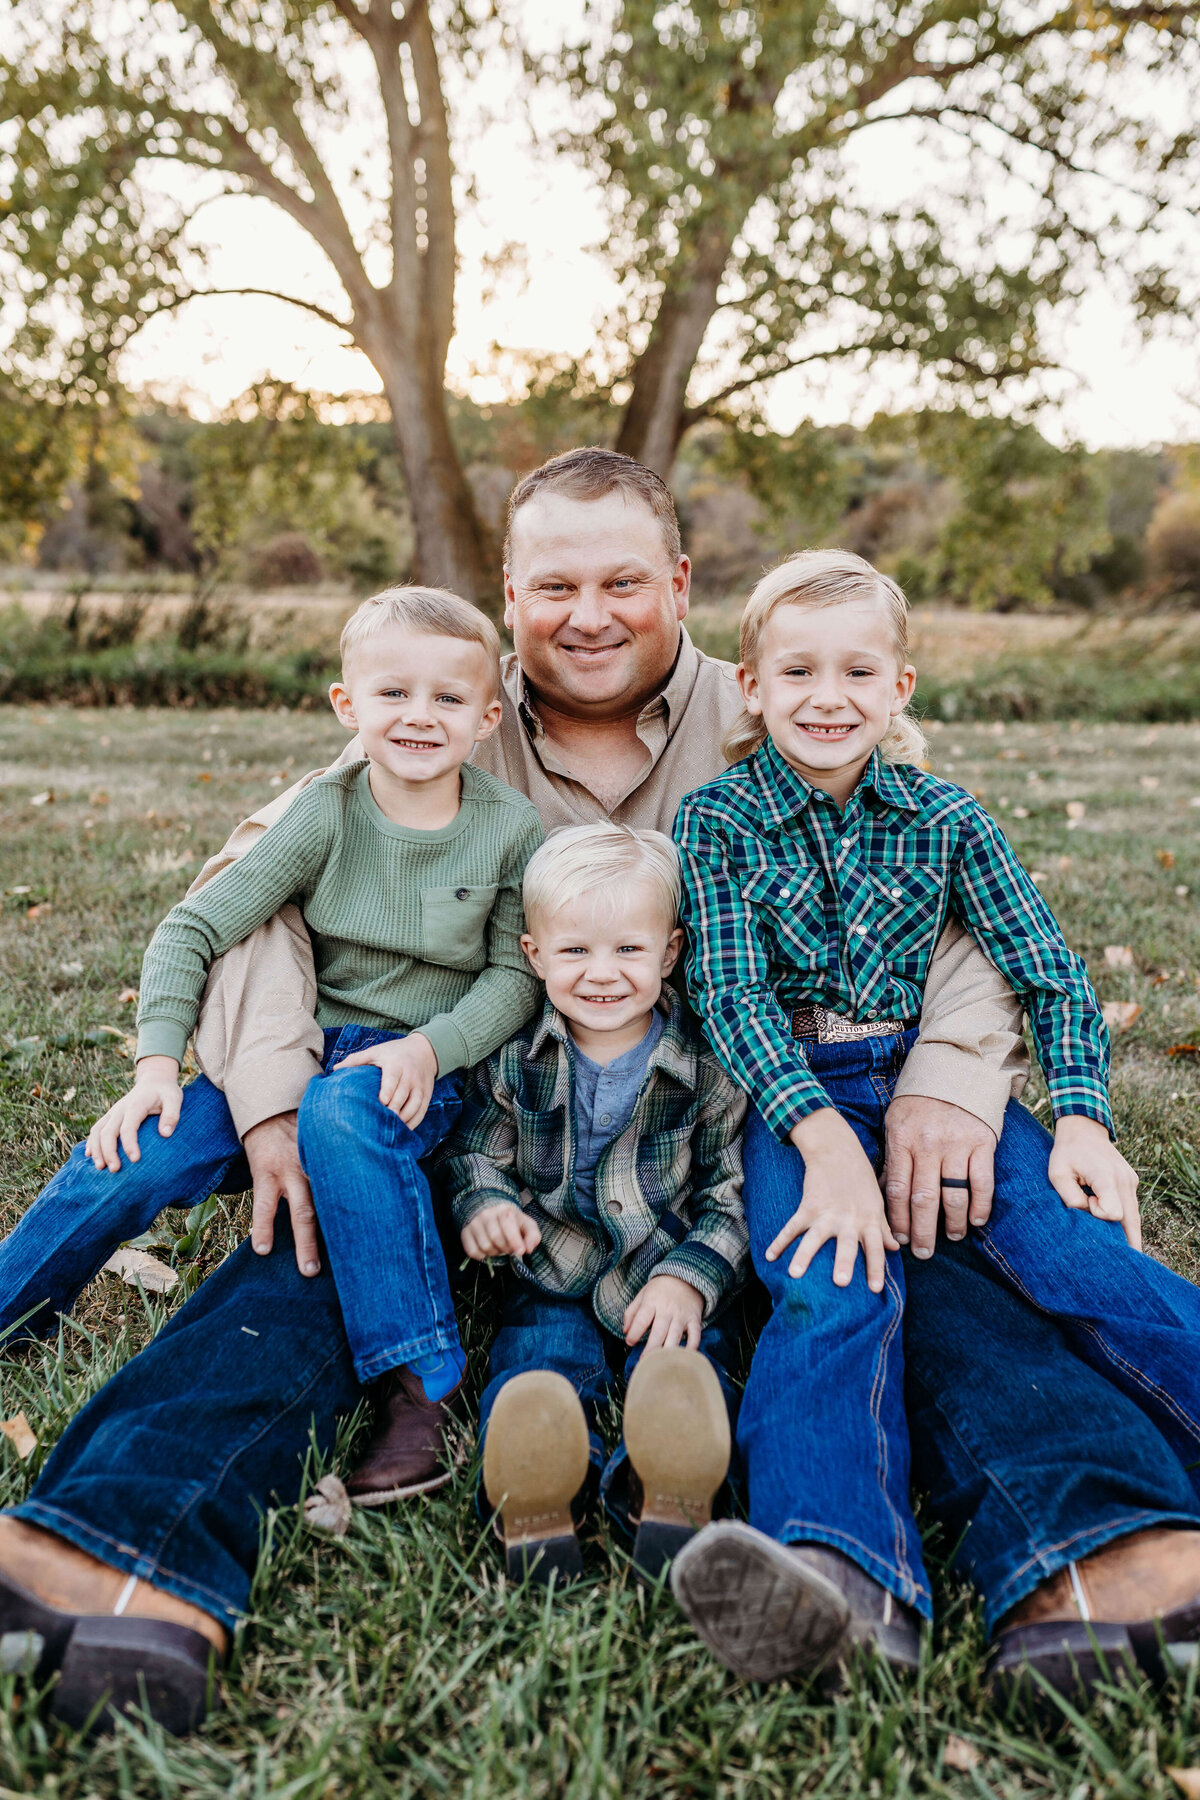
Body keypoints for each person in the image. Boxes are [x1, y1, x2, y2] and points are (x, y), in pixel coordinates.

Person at [0, 447, 1187, 1733]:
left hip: (733, 1136)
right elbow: (259, 897)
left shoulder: (784, 696)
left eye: (625, 579)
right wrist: (276, 1100)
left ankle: (1094, 1533)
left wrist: (949, 1082)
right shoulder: (446, 708)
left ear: (679, 583)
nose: (590, 612)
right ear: (508, 595)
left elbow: (955, 913)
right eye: (554, 583)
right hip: (478, 1128)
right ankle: (132, 1538)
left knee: (909, 1234)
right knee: (306, 1250)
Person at [0, 584, 544, 1731]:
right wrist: (158, 1065)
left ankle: (418, 1379)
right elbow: (198, 925)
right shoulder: (327, 808)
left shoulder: (507, 829)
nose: (417, 715)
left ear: (489, 714)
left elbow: (515, 973)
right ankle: (16, 1297)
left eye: (448, 696)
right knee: (137, 1158)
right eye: (391, 693)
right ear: (347, 702)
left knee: (343, 1149)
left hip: (413, 1079)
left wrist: (430, 1049)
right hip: (286, 1049)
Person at [668, 550, 1200, 1698]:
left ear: (901, 686)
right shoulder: (714, 821)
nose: (828, 696)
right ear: (750, 685)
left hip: (928, 1074)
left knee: (1080, 1261)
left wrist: (1085, 1125)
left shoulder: (947, 820)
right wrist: (819, 1145)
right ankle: (841, 1569)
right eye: (797, 669)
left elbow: (1051, 977)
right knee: (829, 1283)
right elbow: (729, 995)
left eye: (859, 669)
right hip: (791, 1093)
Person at [441, 824, 746, 1584]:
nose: (601, 974)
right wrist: (485, 1206)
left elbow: (731, 1189)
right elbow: (476, 1148)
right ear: (534, 955)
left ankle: (665, 1496)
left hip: (663, 1273)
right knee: (538, 1374)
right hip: (550, 1268)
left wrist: (691, 1277)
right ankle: (537, 1502)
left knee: (683, 1373)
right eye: (575, 951)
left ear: (670, 953)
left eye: (628, 951)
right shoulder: (516, 1056)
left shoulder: (706, 1063)